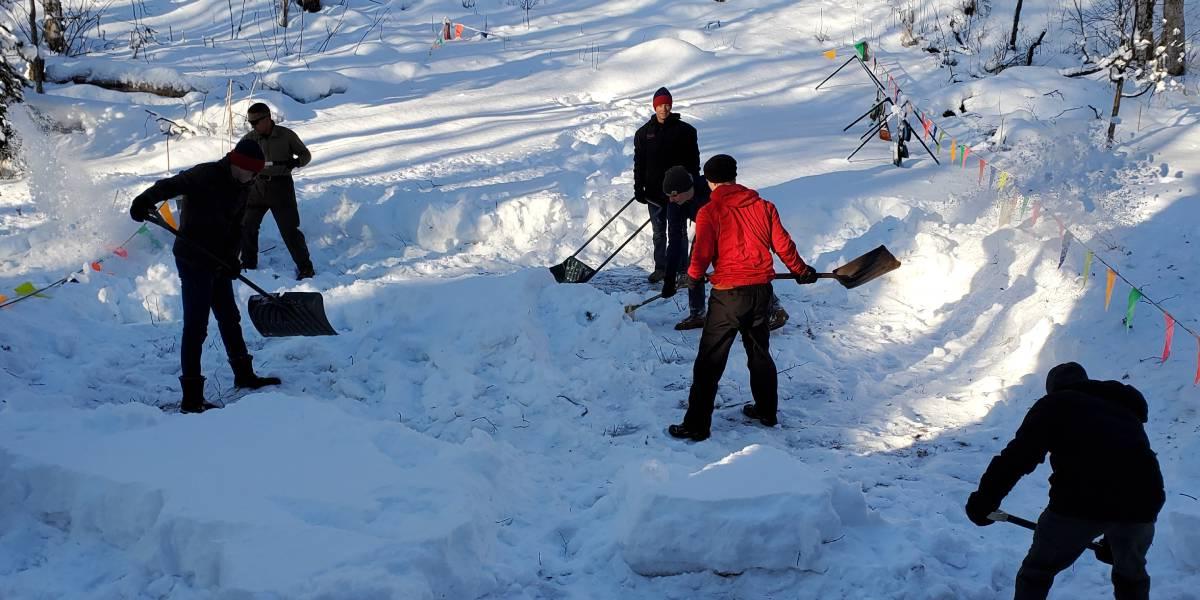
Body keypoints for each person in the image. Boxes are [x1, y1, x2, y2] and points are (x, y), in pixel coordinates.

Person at [965, 362, 1165, 600]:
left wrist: (984, 500)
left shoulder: (1055, 404)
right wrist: (1117, 541)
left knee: (1036, 572)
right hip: (1144, 501)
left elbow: (1018, 457)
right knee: (1130, 575)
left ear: (1053, 389)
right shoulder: (1123, 407)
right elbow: (1122, 467)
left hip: (1081, 500)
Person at [668, 155, 817, 441]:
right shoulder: (764, 207)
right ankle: (766, 410)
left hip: (728, 296)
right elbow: (783, 246)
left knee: (710, 361)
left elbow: (701, 253)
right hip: (761, 293)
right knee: (759, 353)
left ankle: (697, 425)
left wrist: (695, 276)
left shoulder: (710, 211)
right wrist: (801, 270)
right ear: (735, 176)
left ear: (710, 181)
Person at [129, 140, 283, 414]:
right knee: (196, 327)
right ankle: (191, 398)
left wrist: (233, 260)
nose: (255, 178)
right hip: (193, 258)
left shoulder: (244, 185)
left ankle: (243, 374)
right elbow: (169, 186)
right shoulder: (205, 175)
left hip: (219, 260)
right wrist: (144, 200)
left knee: (229, 317)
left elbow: (236, 225)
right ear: (239, 165)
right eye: (253, 172)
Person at [659, 167, 792, 332]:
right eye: (668, 196)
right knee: (694, 266)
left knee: (742, 266)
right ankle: (697, 313)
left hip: (731, 225)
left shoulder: (710, 187)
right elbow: (675, 241)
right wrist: (669, 280)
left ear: (687, 189)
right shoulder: (674, 205)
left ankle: (775, 308)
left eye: (674, 195)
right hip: (706, 228)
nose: (671, 200)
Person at [240, 103, 315, 280]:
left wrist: (296, 162)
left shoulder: (286, 136)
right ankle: (249, 263)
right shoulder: (249, 139)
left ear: (267, 119)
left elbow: (305, 155)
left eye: (256, 122)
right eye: (250, 123)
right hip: (256, 187)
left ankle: (305, 267)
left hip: (281, 188)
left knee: (289, 230)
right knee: (247, 225)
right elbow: (237, 161)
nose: (253, 126)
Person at [632, 87, 700, 284]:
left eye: (667, 104)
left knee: (678, 232)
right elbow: (639, 164)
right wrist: (639, 188)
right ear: (655, 107)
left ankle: (681, 270)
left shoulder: (686, 132)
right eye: (660, 105)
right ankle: (661, 268)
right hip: (654, 192)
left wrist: (692, 186)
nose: (664, 108)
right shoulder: (644, 133)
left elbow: (693, 164)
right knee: (659, 233)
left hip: (679, 193)